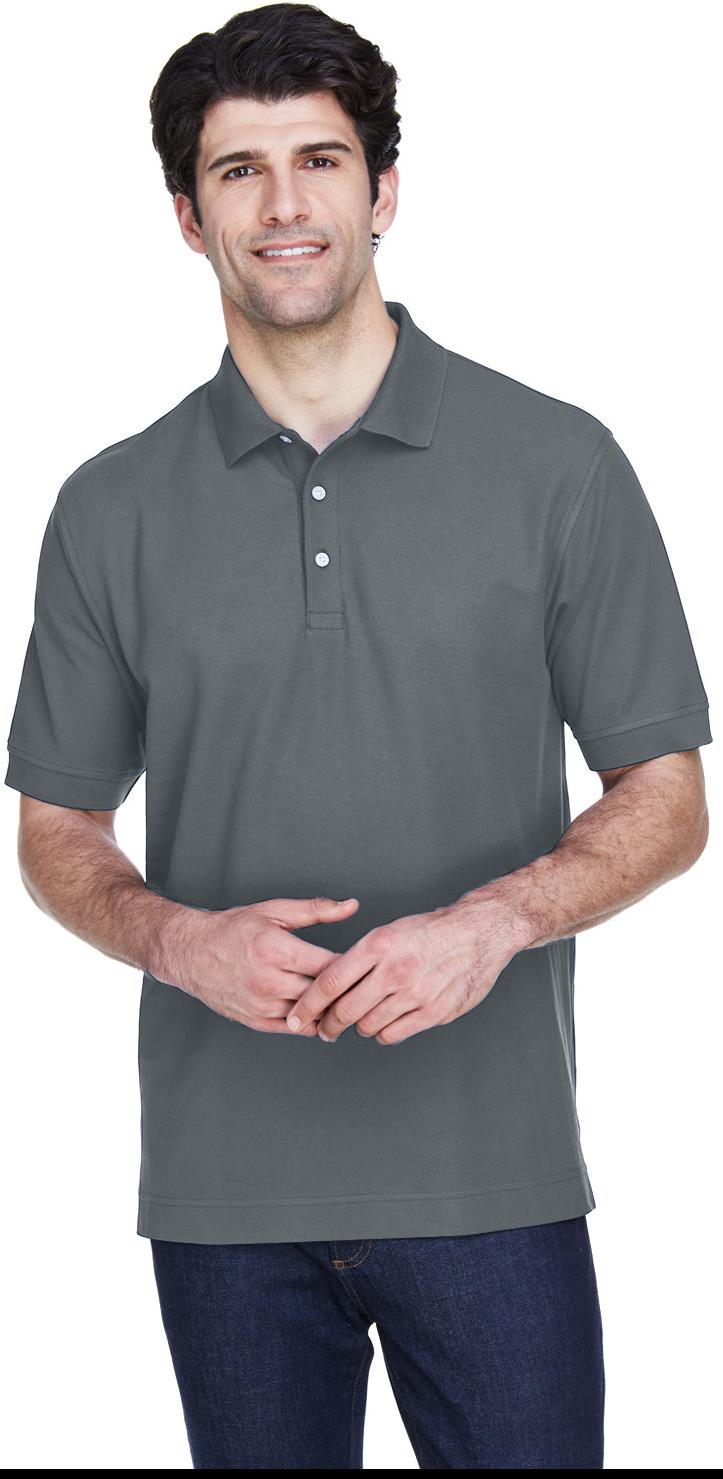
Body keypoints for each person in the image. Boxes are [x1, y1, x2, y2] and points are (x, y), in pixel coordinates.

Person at [5, 2, 712, 1468]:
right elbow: (58, 827)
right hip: (223, 1195)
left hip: (493, 1176)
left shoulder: (560, 462)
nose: (284, 204)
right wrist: (173, 941)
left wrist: (497, 923)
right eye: (239, 169)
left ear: (383, 191)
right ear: (188, 218)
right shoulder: (109, 505)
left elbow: (666, 794)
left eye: (319, 160)